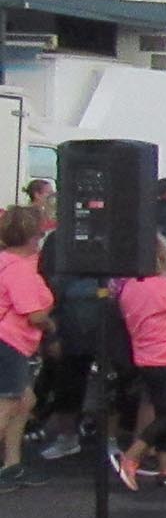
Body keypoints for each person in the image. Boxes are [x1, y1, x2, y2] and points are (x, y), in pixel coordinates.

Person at [113, 238, 166, 489]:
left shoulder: (129, 287)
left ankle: (165, 465)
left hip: (145, 356)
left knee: (163, 412)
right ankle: (132, 456)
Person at [0, 206, 57, 489]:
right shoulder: (19, 270)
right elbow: (34, 314)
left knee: (25, 401)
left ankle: (12, 465)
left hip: (11, 343)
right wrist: (51, 325)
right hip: (9, 342)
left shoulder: (6, 260)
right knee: (8, 404)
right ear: (32, 236)